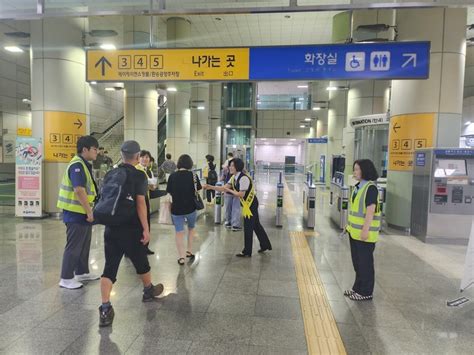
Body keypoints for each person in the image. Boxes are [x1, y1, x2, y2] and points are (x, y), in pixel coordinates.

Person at [99, 140, 164, 327]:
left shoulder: (111, 173)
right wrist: (145, 228)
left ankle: (105, 308)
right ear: (137, 156)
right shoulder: (139, 175)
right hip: (131, 229)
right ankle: (148, 290)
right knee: (141, 262)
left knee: (109, 268)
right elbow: (141, 204)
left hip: (111, 228)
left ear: (121, 154)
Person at [57, 135, 100, 289]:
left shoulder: (84, 164)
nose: (97, 152)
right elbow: (79, 190)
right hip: (75, 213)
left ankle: (81, 272)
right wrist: (89, 212)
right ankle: (66, 277)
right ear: (85, 149)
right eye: (95, 149)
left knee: (84, 245)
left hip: (81, 212)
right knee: (74, 246)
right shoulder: (77, 165)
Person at [205, 158, 272, 257]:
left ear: (237, 167)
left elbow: (240, 194)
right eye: (230, 165)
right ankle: (265, 245)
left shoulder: (243, 178)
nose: (230, 167)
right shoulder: (234, 177)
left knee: (248, 227)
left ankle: (247, 251)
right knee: (256, 225)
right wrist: (211, 187)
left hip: (251, 204)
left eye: (232, 165)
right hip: (246, 204)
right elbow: (224, 188)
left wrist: (231, 191)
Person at [344, 159, 381, 301]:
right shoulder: (359, 186)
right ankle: (357, 288)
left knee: (365, 263)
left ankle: (366, 292)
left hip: (365, 234)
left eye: (357, 169)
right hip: (354, 232)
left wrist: (365, 230)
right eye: (354, 169)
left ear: (365, 170)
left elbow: (370, 211)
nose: (355, 172)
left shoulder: (370, 188)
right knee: (357, 262)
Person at [166, 154, 202, 265]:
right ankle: (189, 252)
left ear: (179, 164)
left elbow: (169, 192)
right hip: (191, 208)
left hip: (176, 209)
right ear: (190, 164)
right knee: (191, 229)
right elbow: (198, 190)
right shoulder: (193, 176)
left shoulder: (172, 176)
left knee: (179, 233)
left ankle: (181, 257)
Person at [136, 150, 157, 255]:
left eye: (147, 157)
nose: (145, 159)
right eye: (142, 157)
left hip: (146, 198)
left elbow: (152, 186)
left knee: (147, 222)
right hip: (138, 200)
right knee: (139, 224)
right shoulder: (137, 169)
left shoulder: (148, 170)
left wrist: (152, 186)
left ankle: (145, 247)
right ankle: (138, 248)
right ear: (138, 158)